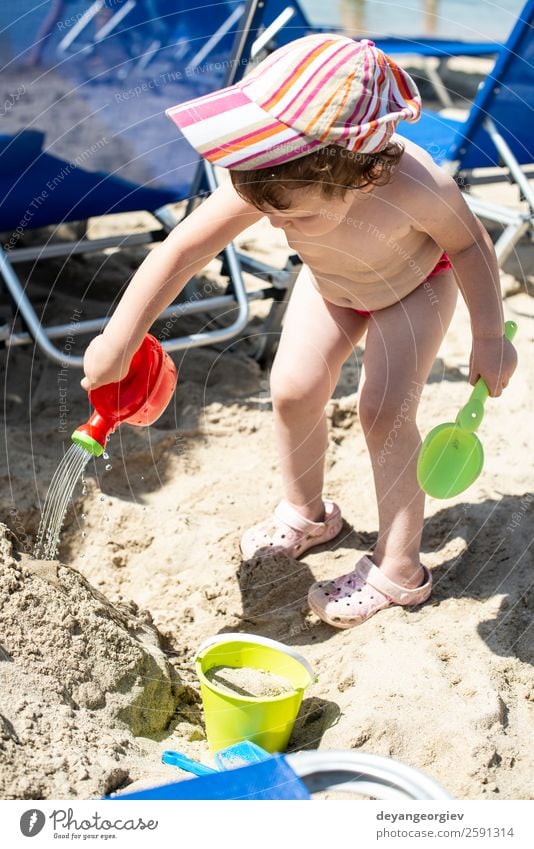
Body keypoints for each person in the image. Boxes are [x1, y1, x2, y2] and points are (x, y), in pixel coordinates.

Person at [81, 34, 517, 629]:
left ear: (361, 174)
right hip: (331, 286)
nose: (278, 222)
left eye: (294, 214)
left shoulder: (416, 186)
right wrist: (119, 340)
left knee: (384, 411)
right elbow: (182, 249)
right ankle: (308, 513)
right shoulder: (274, 175)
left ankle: (399, 567)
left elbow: (469, 243)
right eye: (271, 213)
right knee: (291, 389)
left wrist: (490, 337)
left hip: (411, 290)